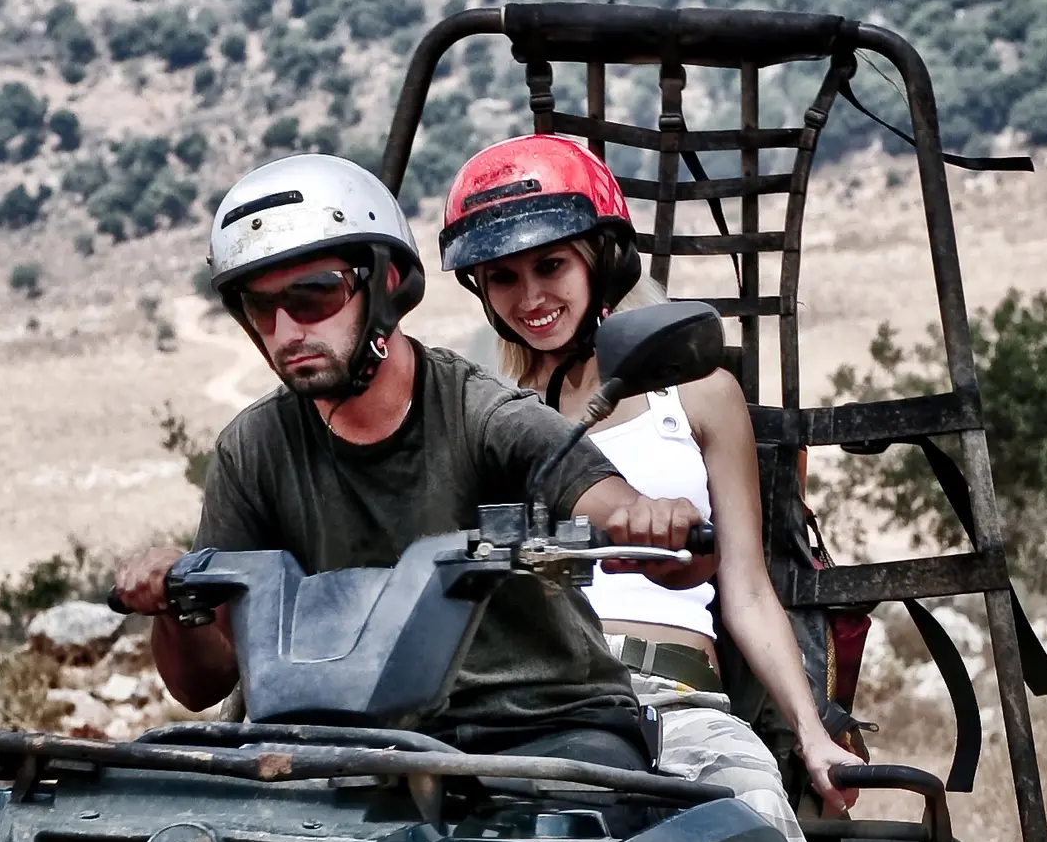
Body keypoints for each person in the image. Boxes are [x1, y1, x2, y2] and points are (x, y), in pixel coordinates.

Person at [114, 153, 694, 771]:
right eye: (261, 308)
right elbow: (204, 682)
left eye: (313, 295)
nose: (286, 333)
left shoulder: (485, 415)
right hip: (344, 750)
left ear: (386, 284)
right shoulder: (253, 449)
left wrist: (649, 520)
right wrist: (177, 604)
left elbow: (628, 516)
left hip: (537, 730)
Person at [440, 133, 855, 842]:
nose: (531, 297)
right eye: (504, 277)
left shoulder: (696, 394)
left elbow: (743, 586)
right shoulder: (482, 415)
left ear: (603, 260)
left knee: (762, 836)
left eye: (551, 266)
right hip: (532, 709)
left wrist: (812, 734)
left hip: (673, 703)